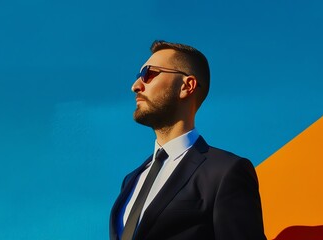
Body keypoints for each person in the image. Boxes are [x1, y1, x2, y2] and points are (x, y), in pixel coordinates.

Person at [109, 40, 267, 240]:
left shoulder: (224, 172)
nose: (136, 86)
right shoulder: (130, 180)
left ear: (187, 86)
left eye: (148, 74)